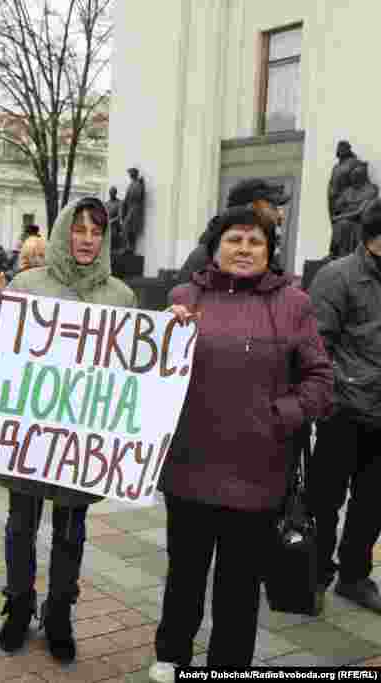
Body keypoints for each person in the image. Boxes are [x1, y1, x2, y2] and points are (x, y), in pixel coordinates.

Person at [148, 207, 332, 681]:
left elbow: (319, 379)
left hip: (259, 472)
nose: (245, 249)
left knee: (239, 585)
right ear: (215, 246)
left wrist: (279, 417)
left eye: (256, 242)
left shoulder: (294, 304)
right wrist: (164, 334)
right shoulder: (183, 297)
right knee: (184, 575)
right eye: (235, 239)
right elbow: (147, 374)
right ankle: (172, 657)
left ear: (270, 252)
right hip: (189, 468)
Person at [0, 197, 137, 660]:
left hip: (80, 439)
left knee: (71, 530)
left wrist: (170, 330)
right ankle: (19, 604)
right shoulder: (27, 285)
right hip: (30, 434)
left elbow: (132, 365)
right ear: (64, 231)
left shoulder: (121, 296)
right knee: (20, 525)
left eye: (96, 232)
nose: (87, 240)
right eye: (79, 229)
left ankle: (60, 612)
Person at [308, 198, 381, 614]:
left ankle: (354, 576)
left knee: (372, 503)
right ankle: (314, 574)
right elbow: (318, 348)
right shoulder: (337, 277)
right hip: (344, 413)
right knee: (324, 500)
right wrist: (341, 393)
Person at [177, 178, 289, 285]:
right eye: (273, 207)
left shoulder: (265, 252)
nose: (280, 216)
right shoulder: (204, 256)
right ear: (250, 210)